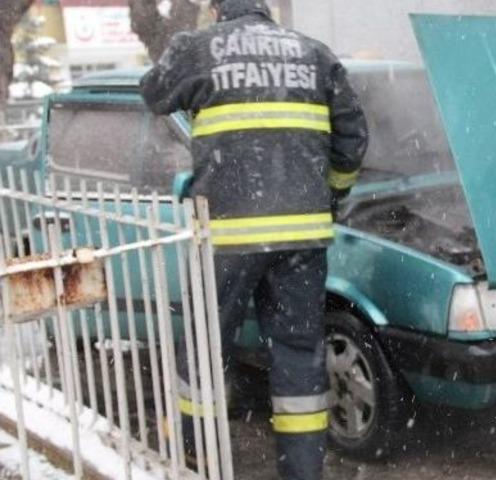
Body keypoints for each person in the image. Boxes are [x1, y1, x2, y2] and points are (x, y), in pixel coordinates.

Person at [139, 0, 368, 477]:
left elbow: (154, 93)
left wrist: (187, 56)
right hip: (302, 237)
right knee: (298, 353)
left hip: (227, 236)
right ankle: (302, 470)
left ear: (217, 9)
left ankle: (199, 457)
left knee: (205, 347)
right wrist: (331, 195)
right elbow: (352, 138)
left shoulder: (198, 48)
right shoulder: (314, 53)